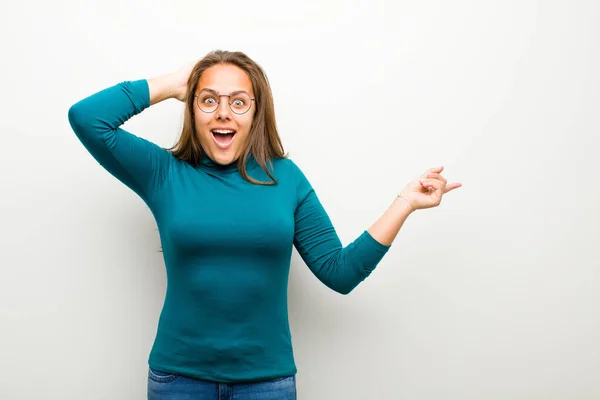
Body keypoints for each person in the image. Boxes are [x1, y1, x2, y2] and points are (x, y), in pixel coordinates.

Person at [67, 50, 462, 400]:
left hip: (266, 384)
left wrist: (405, 203)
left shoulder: (285, 178)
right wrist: (173, 83)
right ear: (192, 109)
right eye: (209, 100)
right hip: (179, 381)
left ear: (257, 112)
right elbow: (87, 118)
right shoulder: (164, 172)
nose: (223, 112)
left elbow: (339, 272)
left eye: (239, 102)